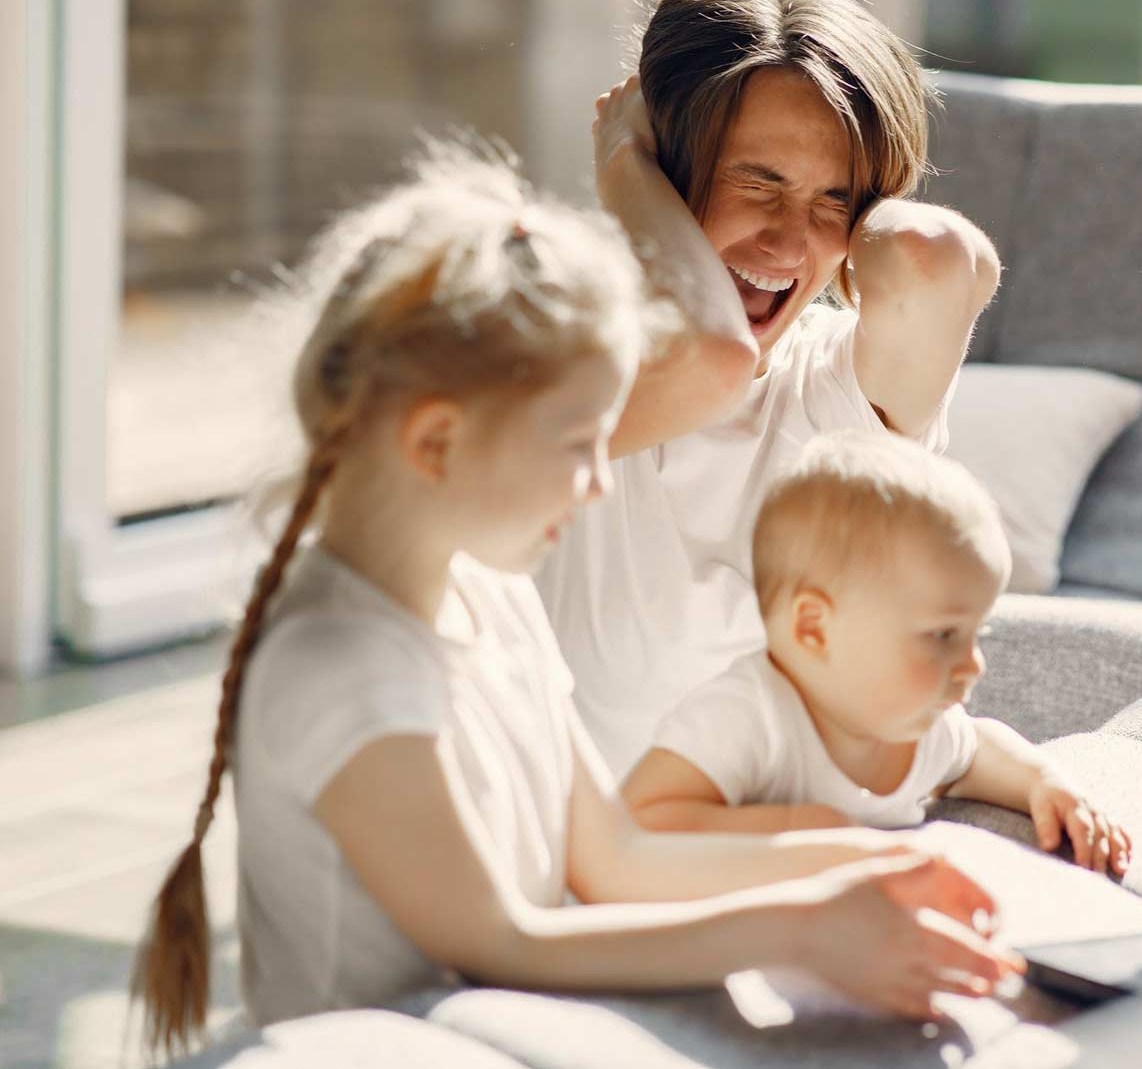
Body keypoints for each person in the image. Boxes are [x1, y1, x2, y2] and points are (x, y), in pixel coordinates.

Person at [129, 146, 1020, 1061]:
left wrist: (876, 864)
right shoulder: (340, 664)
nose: (600, 482)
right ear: (438, 441)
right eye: (578, 445)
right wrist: (798, 930)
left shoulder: (494, 596)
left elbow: (616, 857)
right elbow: (500, 939)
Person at [535, 0, 1002, 787]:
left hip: (749, 865)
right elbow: (711, 359)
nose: (790, 246)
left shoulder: (830, 388)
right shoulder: (557, 357)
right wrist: (625, 172)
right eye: (756, 182)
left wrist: (866, 195)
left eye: (835, 201)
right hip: (571, 862)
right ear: (667, 168)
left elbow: (936, 261)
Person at [621, 431, 1132, 875]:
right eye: (942, 635)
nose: (975, 664)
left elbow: (974, 753)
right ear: (815, 628)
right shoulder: (746, 716)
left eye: (979, 634)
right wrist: (797, 827)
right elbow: (639, 819)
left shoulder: (917, 727)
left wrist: (1043, 783)